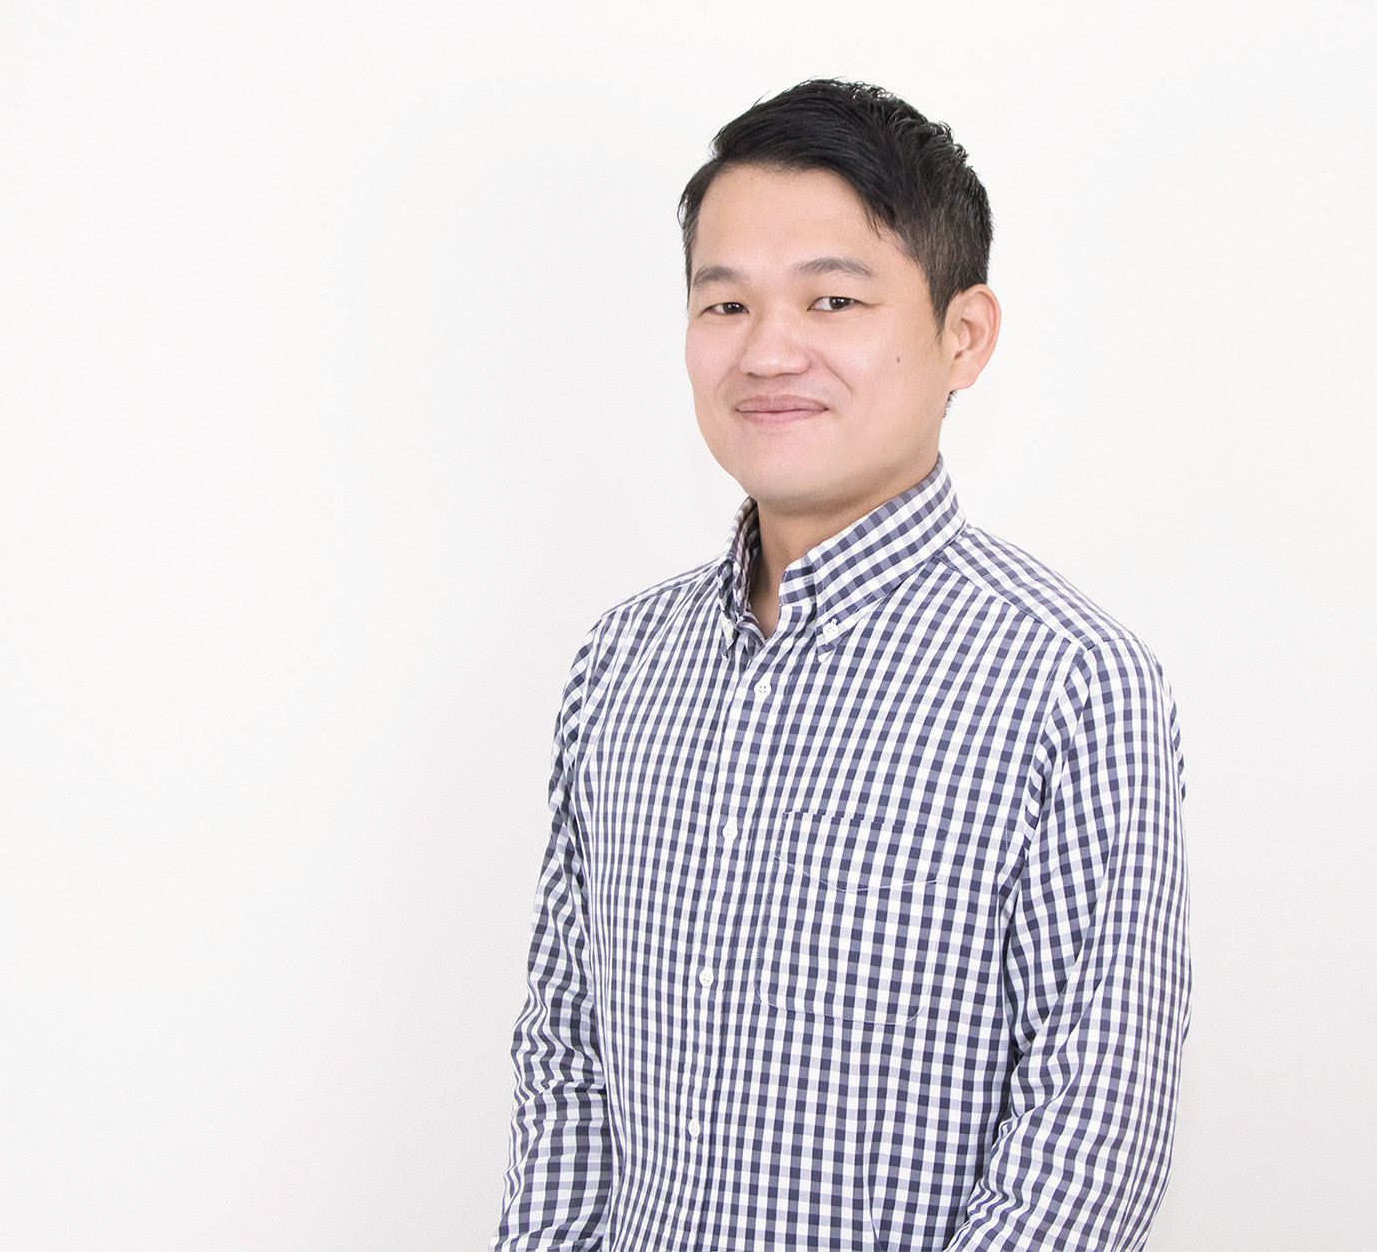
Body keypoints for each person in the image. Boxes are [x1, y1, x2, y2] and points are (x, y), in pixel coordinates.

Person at [495, 79, 1191, 1251]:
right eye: (725, 304)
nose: (769, 352)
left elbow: (1087, 1145)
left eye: (833, 299)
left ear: (963, 336)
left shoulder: (1070, 683)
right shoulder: (621, 663)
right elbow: (566, 1061)